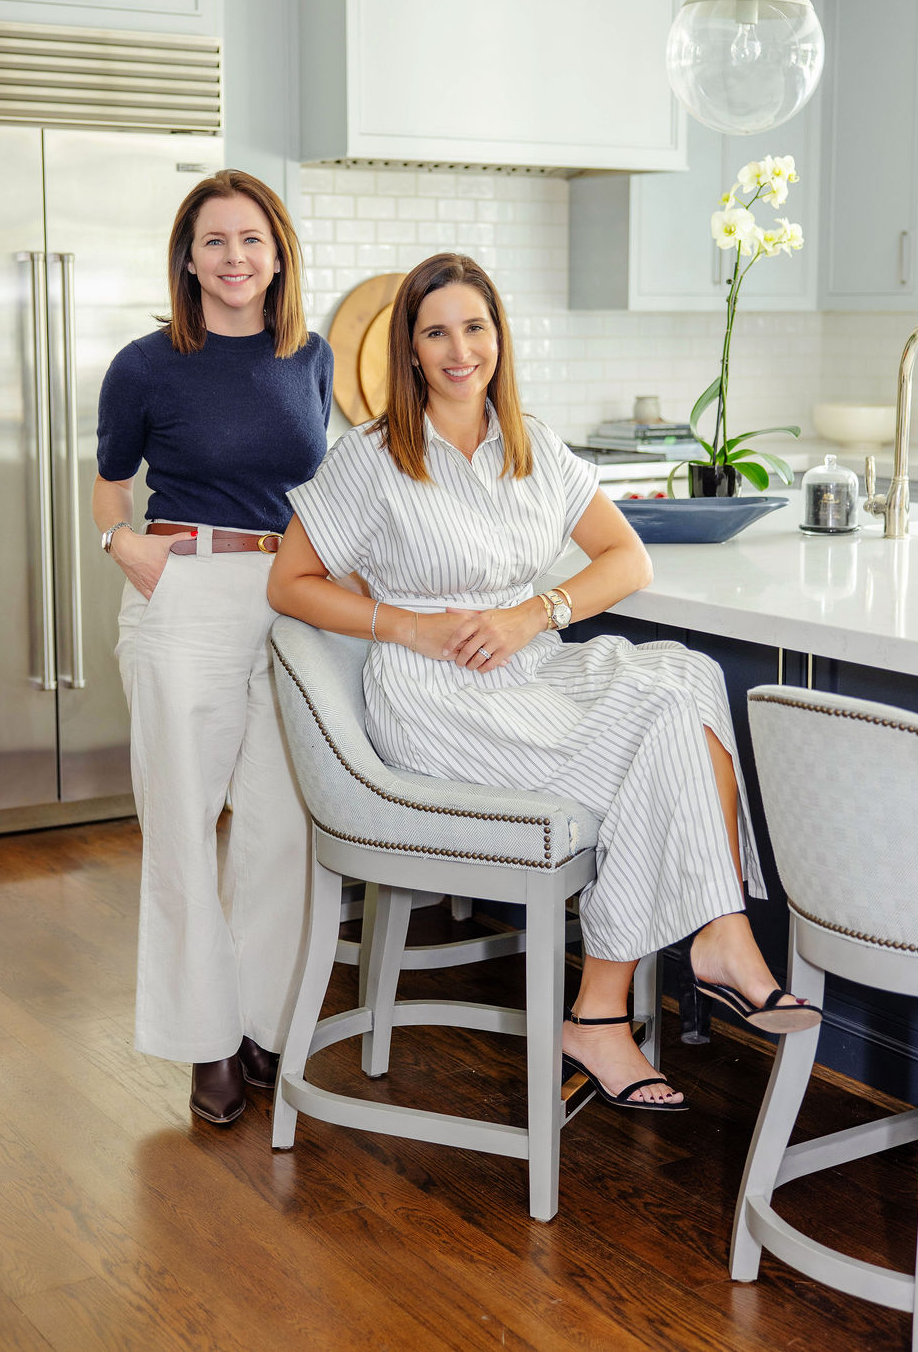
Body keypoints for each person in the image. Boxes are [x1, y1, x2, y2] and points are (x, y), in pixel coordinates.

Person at [267, 251, 820, 1114]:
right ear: (409, 348)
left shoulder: (531, 442)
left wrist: (535, 613)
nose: (461, 350)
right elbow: (289, 582)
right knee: (653, 733)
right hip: (435, 693)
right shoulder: (372, 456)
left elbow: (626, 557)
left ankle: (648, 979)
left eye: (475, 327)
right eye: (437, 332)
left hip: (531, 666)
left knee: (686, 676)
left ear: (500, 336)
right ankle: (676, 963)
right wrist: (409, 624)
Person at [93, 169, 333, 1125]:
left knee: (284, 825)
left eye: (252, 239)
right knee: (184, 821)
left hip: (291, 600)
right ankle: (206, 1040)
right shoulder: (144, 365)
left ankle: (265, 1023)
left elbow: (317, 489)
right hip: (185, 590)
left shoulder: (310, 356)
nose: (236, 257)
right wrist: (122, 545)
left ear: (278, 255)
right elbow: (110, 485)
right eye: (215, 241)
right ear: (188, 260)